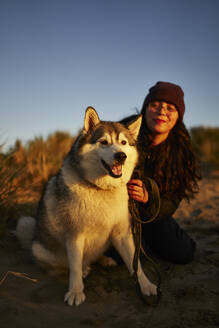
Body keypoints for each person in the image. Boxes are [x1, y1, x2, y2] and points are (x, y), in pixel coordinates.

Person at [121, 81, 201, 264]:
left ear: (178, 116)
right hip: (116, 210)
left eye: (170, 108)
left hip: (153, 214)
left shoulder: (181, 152)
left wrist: (149, 198)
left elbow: (171, 203)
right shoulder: (123, 132)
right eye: (154, 105)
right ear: (145, 109)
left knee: (182, 253)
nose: (162, 111)